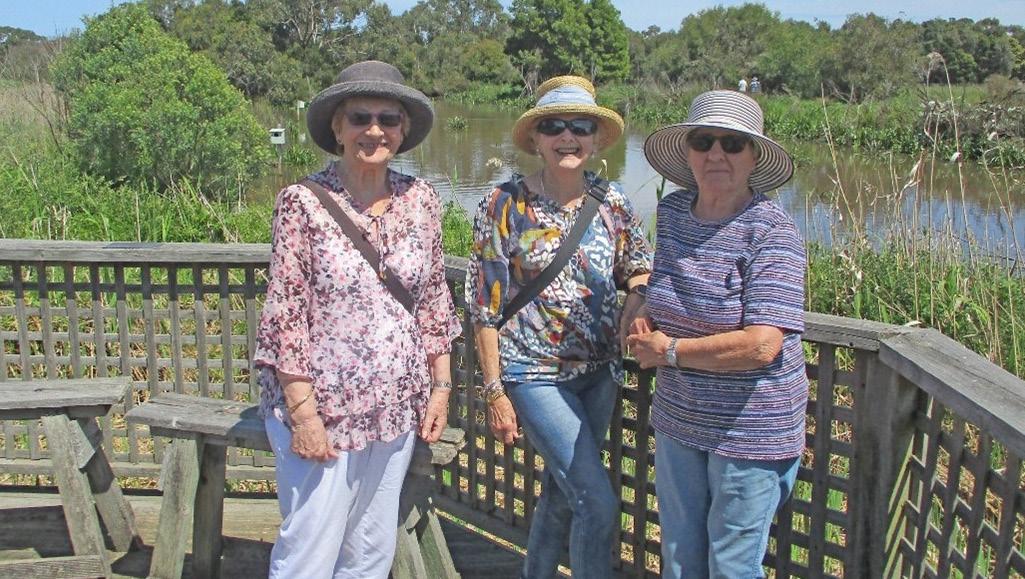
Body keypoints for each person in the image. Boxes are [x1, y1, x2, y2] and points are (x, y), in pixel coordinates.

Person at [253, 60, 461, 578]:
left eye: (388, 119)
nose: (374, 130)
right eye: (360, 118)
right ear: (338, 128)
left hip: (397, 404)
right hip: (324, 408)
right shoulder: (302, 203)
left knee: (371, 547)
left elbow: (434, 301)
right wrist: (304, 417)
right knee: (309, 549)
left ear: (403, 130)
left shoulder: (422, 200)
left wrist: (440, 388)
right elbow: (285, 314)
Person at [465, 75, 652, 578]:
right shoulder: (503, 204)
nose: (567, 137)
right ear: (536, 138)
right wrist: (494, 388)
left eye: (580, 127)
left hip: (599, 373)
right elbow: (484, 305)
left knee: (562, 495)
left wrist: (637, 297)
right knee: (597, 502)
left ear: (595, 139)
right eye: (553, 127)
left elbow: (638, 264)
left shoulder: (613, 201)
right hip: (533, 372)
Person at [628, 90, 807, 579]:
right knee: (680, 557)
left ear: (754, 157)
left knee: (731, 566)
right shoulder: (673, 213)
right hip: (680, 417)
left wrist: (669, 351)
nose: (716, 154)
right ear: (688, 152)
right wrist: (643, 306)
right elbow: (666, 281)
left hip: (750, 431)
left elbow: (763, 344)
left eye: (732, 144)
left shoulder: (772, 232)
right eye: (703, 141)